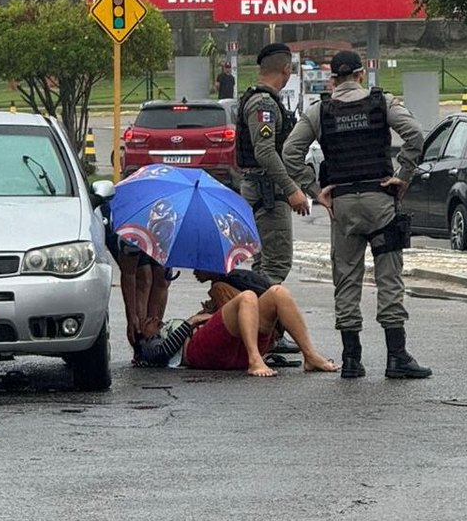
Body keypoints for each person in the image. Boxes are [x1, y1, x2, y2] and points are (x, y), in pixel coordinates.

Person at [282, 50, 432, 380]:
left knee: (346, 278)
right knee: (389, 277)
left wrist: (313, 189)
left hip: (344, 202)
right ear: (362, 76)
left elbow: (290, 152)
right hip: (381, 198)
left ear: (333, 80)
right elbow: (416, 136)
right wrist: (403, 176)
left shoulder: (320, 110)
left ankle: (352, 359)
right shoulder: (383, 103)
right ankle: (396, 357)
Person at [235, 43, 311, 286]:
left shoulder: (260, 100)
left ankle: (257, 319)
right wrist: (292, 189)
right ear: (286, 69)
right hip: (267, 193)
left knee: (262, 266)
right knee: (276, 264)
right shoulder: (264, 104)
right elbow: (265, 151)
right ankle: (256, 316)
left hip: (261, 189)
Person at [135, 285, 339, 377]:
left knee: (279, 293)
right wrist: (192, 321)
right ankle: (255, 360)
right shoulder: (148, 346)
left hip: (229, 346)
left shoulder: (170, 325)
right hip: (202, 352)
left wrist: (208, 314)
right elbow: (162, 353)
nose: (154, 318)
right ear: (143, 334)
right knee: (247, 297)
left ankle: (310, 355)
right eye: (147, 322)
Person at [102, 201, 170, 360]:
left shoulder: (169, 225)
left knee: (161, 276)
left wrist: (154, 326)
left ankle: (152, 338)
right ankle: (139, 340)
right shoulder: (131, 230)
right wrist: (132, 317)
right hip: (128, 226)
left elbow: (162, 283)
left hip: (160, 226)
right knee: (143, 277)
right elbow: (129, 274)